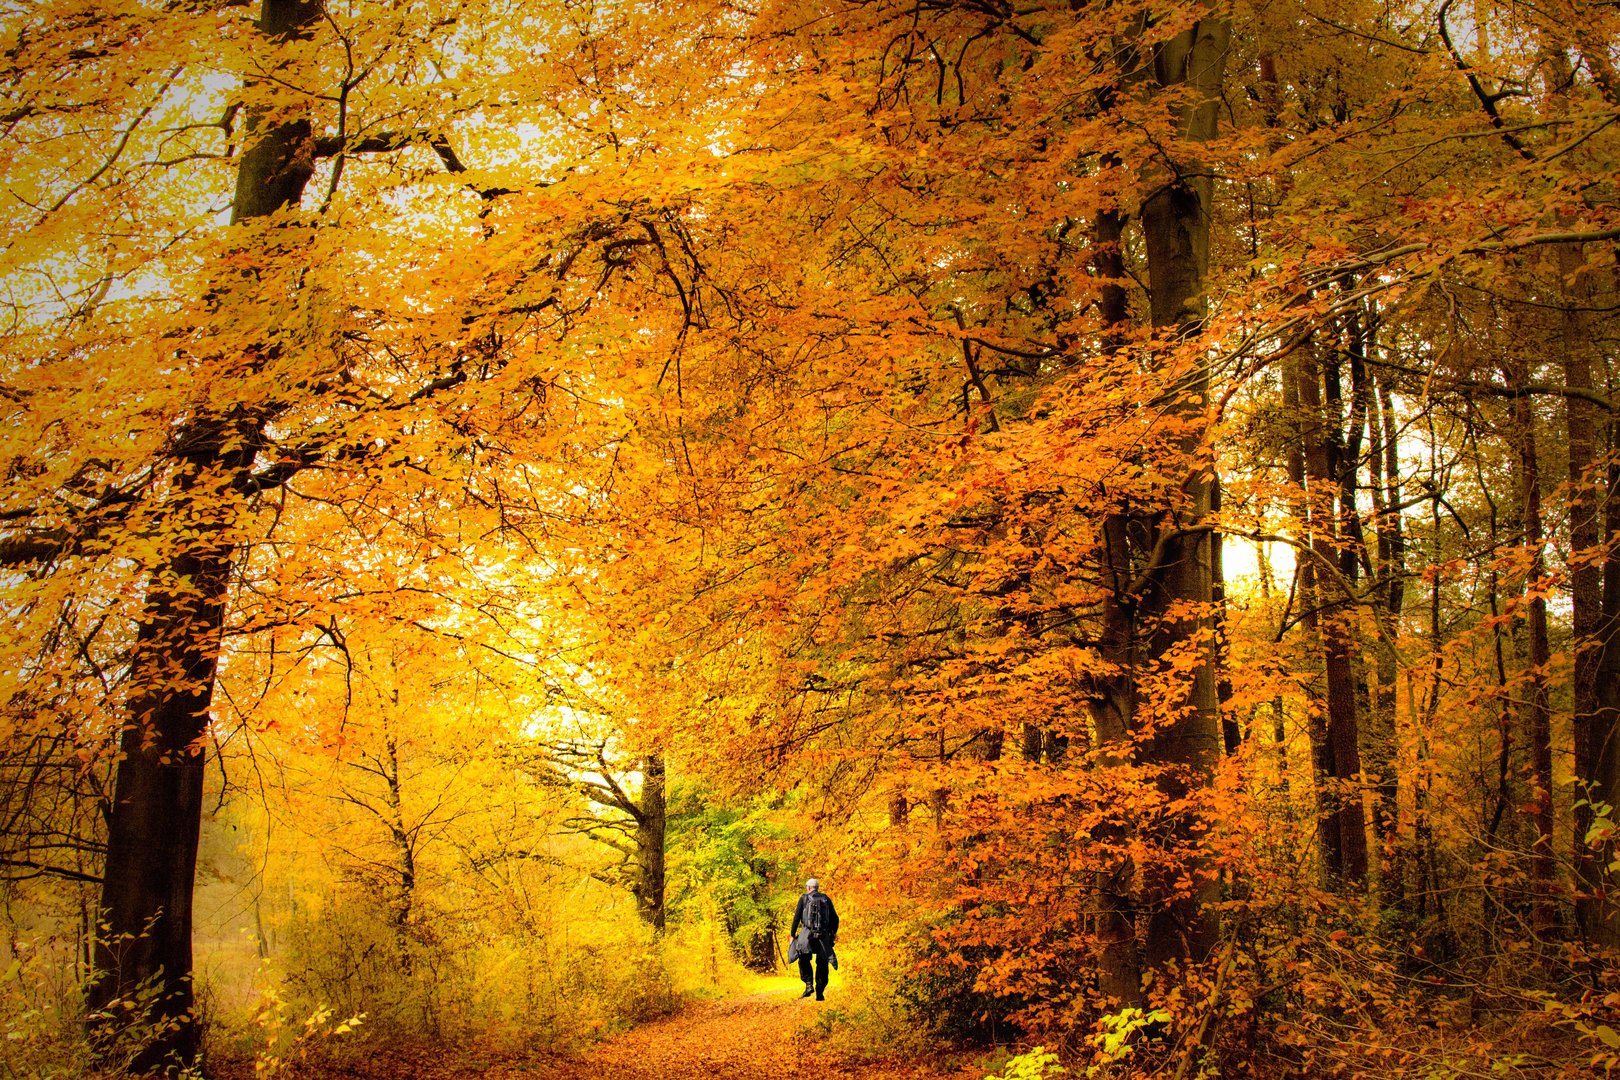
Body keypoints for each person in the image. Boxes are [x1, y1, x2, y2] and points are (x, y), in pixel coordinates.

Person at [788, 877, 839, 1000]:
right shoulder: (826, 899)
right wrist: (832, 933)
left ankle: (809, 984)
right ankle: (820, 992)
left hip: (806, 935)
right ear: (817, 887)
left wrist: (792, 935)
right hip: (823, 936)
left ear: (808, 888)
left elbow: (796, 919)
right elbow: (835, 919)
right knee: (822, 963)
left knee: (803, 958)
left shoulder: (804, 898)